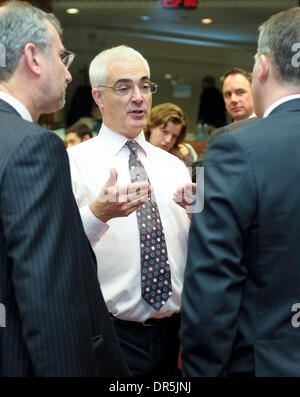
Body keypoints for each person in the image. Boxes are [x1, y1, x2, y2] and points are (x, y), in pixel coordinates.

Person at [0, 1, 130, 377]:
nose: (70, 74)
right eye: (62, 56)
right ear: (33, 58)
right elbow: (48, 296)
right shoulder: (33, 146)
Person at [181, 6, 300, 377]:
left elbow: (214, 277)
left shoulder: (237, 148)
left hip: (268, 360)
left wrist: (200, 369)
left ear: (262, 66)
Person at [67, 45, 191, 376]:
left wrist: (204, 219)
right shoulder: (74, 163)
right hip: (109, 335)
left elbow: (195, 249)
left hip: (177, 336)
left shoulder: (175, 166)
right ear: (98, 96)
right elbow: (58, 249)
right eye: (124, 87)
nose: (139, 97)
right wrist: (98, 213)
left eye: (145, 85)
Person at [195, 68, 257, 172]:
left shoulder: (269, 127)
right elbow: (196, 173)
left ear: (255, 93)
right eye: (228, 94)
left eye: (240, 92)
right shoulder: (218, 134)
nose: (233, 99)